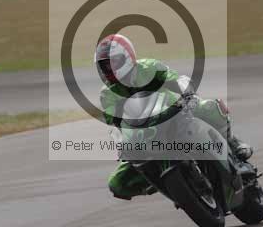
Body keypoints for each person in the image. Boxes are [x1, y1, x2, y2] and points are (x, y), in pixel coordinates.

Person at [95, 34, 253, 201]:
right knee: (117, 184)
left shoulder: (148, 67)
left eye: (113, 62)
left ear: (128, 57)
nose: (109, 69)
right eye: (104, 65)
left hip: (174, 111)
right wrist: (122, 140)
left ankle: (233, 143)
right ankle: (157, 181)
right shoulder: (107, 94)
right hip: (144, 133)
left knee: (209, 107)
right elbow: (114, 120)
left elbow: (174, 79)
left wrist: (185, 90)